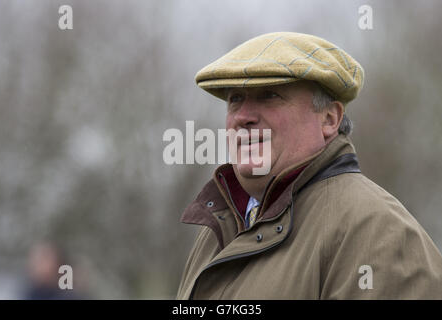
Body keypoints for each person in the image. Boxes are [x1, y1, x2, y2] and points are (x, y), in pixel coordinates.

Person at [176, 32, 442, 299]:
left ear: (329, 119)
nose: (243, 117)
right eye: (235, 99)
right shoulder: (218, 230)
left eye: (269, 95)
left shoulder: (378, 233)